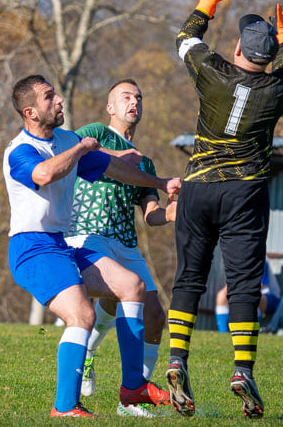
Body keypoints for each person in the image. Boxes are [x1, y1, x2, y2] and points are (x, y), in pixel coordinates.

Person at [3, 74, 180, 418]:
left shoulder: (66, 139)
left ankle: (133, 389)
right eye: (48, 98)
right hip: (31, 248)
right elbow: (43, 175)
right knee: (81, 315)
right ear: (30, 113)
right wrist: (83, 147)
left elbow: (114, 168)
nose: (59, 101)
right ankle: (65, 407)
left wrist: (159, 182)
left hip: (60, 244)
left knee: (132, 286)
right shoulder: (21, 150)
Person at [165, 0, 283, 419]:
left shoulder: (212, 72)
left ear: (237, 48)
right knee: (242, 285)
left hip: (199, 188)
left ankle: (177, 359)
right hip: (245, 194)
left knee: (189, 279)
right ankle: (243, 370)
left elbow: (186, 38)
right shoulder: (279, 91)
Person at [65, 79, 177, 418]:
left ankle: (134, 397)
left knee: (156, 314)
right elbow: (78, 150)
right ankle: (92, 363)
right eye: (126, 97)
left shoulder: (147, 163)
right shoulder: (97, 132)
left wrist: (172, 213)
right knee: (120, 294)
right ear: (110, 107)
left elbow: (151, 214)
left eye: (139, 98)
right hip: (90, 232)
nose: (134, 102)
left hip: (126, 242)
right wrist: (120, 155)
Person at [215, 261, 281, 333]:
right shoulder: (235, 259)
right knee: (221, 296)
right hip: (244, 292)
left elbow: (259, 286)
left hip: (270, 297)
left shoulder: (261, 259)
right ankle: (224, 333)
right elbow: (231, 285)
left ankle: (253, 333)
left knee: (252, 296)